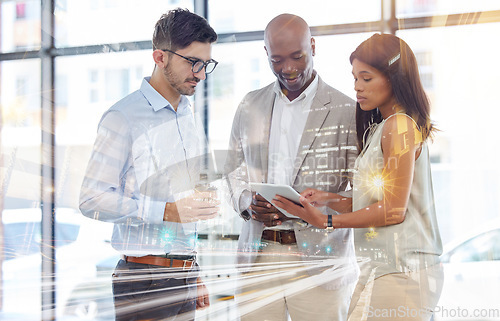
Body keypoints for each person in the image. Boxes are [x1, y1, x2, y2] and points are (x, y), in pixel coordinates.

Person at [274, 33, 444, 321]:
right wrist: (332, 199)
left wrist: (326, 221)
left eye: (366, 78)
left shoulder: (399, 126)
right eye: (354, 78)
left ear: (395, 78)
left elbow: (393, 210)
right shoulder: (384, 126)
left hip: (403, 269)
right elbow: (375, 201)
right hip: (383, 268)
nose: (357, 88)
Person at [79, 8, 219, 321]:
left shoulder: (188, 114)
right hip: (144, 280)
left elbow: (187, 201)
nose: (199, 73)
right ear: (160, 57)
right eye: (192, 62)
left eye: (206, 64)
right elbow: (91, 200)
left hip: (182, 277)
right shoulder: (122, 118)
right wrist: (165, 210)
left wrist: (193, 270)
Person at [224, 13, 359, 321]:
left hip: (321, 262)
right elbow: (232, 171)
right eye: (277, 60)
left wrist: (323, 205)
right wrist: (247, 201)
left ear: (312, 46)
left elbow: (363, 191)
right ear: (266, 55)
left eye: (297, 56)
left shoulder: (347, 111)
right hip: (258, 257)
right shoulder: (249, 106)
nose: (288, 69)